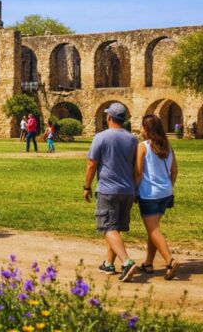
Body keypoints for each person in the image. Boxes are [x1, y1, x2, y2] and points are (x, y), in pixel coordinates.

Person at [83, 102, 139, 282]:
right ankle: (109, 263)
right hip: (128, 190)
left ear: (109, 117)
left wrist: (86, 187)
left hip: (108, 189)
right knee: (115, 228)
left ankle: (127, 262)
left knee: (107, 227)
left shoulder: (101, 137)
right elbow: (136, 166)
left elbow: (92, 164)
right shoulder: (132, 139)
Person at [135, 114, 180, 280]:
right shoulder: (168, 147)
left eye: (142, 126)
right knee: (152, 229)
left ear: (146, 129)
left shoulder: (143, 147)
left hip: (149, 194)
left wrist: (134, 191)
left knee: (153, 230)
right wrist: (168, 186)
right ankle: (148, 263)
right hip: (165, 193)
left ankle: (170, 260)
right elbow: (174, 171)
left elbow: (138, 172)